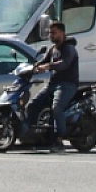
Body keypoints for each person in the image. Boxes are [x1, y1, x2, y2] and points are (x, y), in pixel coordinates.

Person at [26, 21, 79, 153]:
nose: (51, 35)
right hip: (52, 84)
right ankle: (34, 136)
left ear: (62, 33)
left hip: (67, 85)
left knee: (57, 108)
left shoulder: (69, 49)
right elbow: (42, 61)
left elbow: (64, 64)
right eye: (49, 33)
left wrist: (48, 66)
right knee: (32, 105)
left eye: (54, 33)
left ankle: (59, 141)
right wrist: (31, 67)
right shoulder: (52, 49)